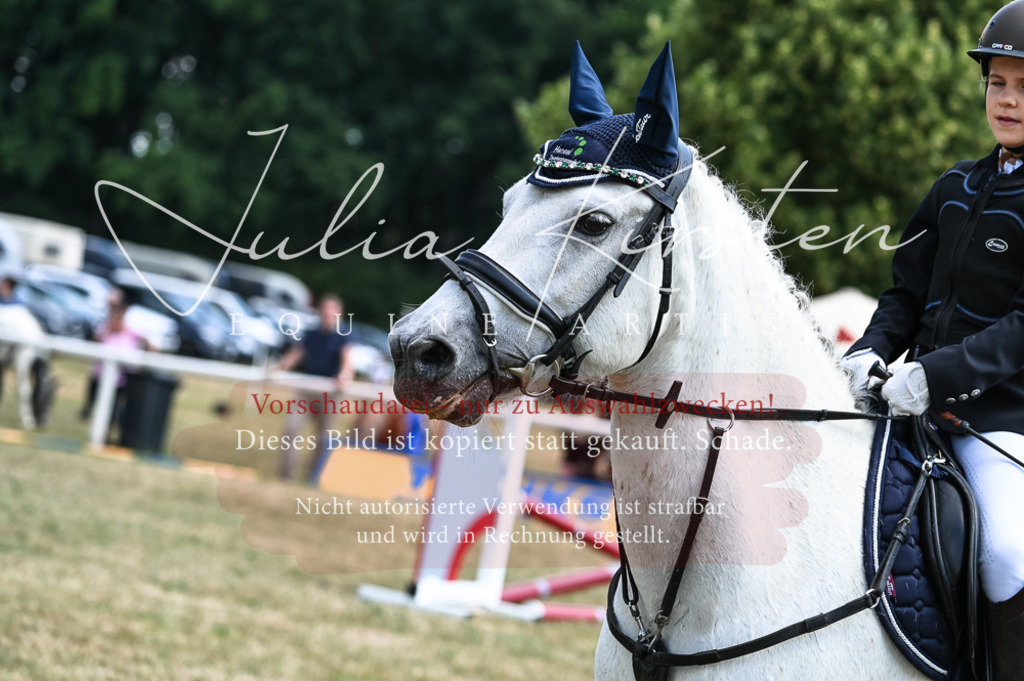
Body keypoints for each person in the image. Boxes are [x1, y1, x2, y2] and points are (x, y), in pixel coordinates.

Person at [841, 3, 1024, 676]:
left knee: (1005, 551)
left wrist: (934, 374)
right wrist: (870, 350)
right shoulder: (955, 185)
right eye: (998, 83)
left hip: (1002, 424)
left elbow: (1021, 332)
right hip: (914, 407)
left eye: (1023, 86)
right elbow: (904, 296)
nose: (1007, 100)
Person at [273, 294, 353, 481]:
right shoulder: (311, 333)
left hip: (331, 393)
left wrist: (344, 374)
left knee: (323, 438)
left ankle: (313, 477)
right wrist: (277, 369)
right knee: (291, 429)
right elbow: (296, 354)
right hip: (307, 390)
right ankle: (286, 475)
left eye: (331, 310)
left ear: (339, 314)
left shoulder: (344, 334)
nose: (327, 314)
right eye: (325, 310)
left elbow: (348, 359)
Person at [80, 288, 150, 433]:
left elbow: (149, 343)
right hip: (100, 373)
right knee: (96, 401)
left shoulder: (132, 327)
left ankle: (109, 428)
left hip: (121, 377)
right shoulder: (106, 325)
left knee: (115, 407)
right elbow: (95, 340)